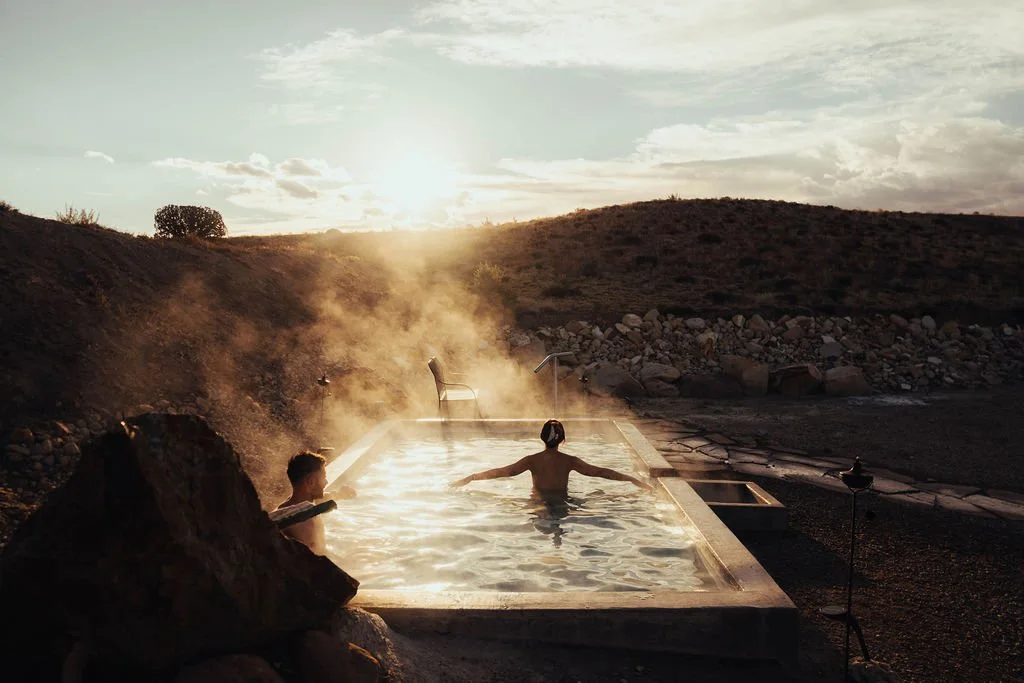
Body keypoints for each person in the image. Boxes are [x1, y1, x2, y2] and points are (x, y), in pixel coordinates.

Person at [450, 419, 653, 498]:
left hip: (537, 503)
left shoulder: (531, 460)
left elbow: (504, 472)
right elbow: (599, 472)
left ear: (541, 438)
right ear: (563, 440)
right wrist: (631, 479)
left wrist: (472, 477)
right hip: (564, 503)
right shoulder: (570, 461)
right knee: (598, 496)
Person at [277, 450, 329, 555]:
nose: (326, 482)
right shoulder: (298, 522)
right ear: (310, 482)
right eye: (324, 477)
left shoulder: (301, 509)